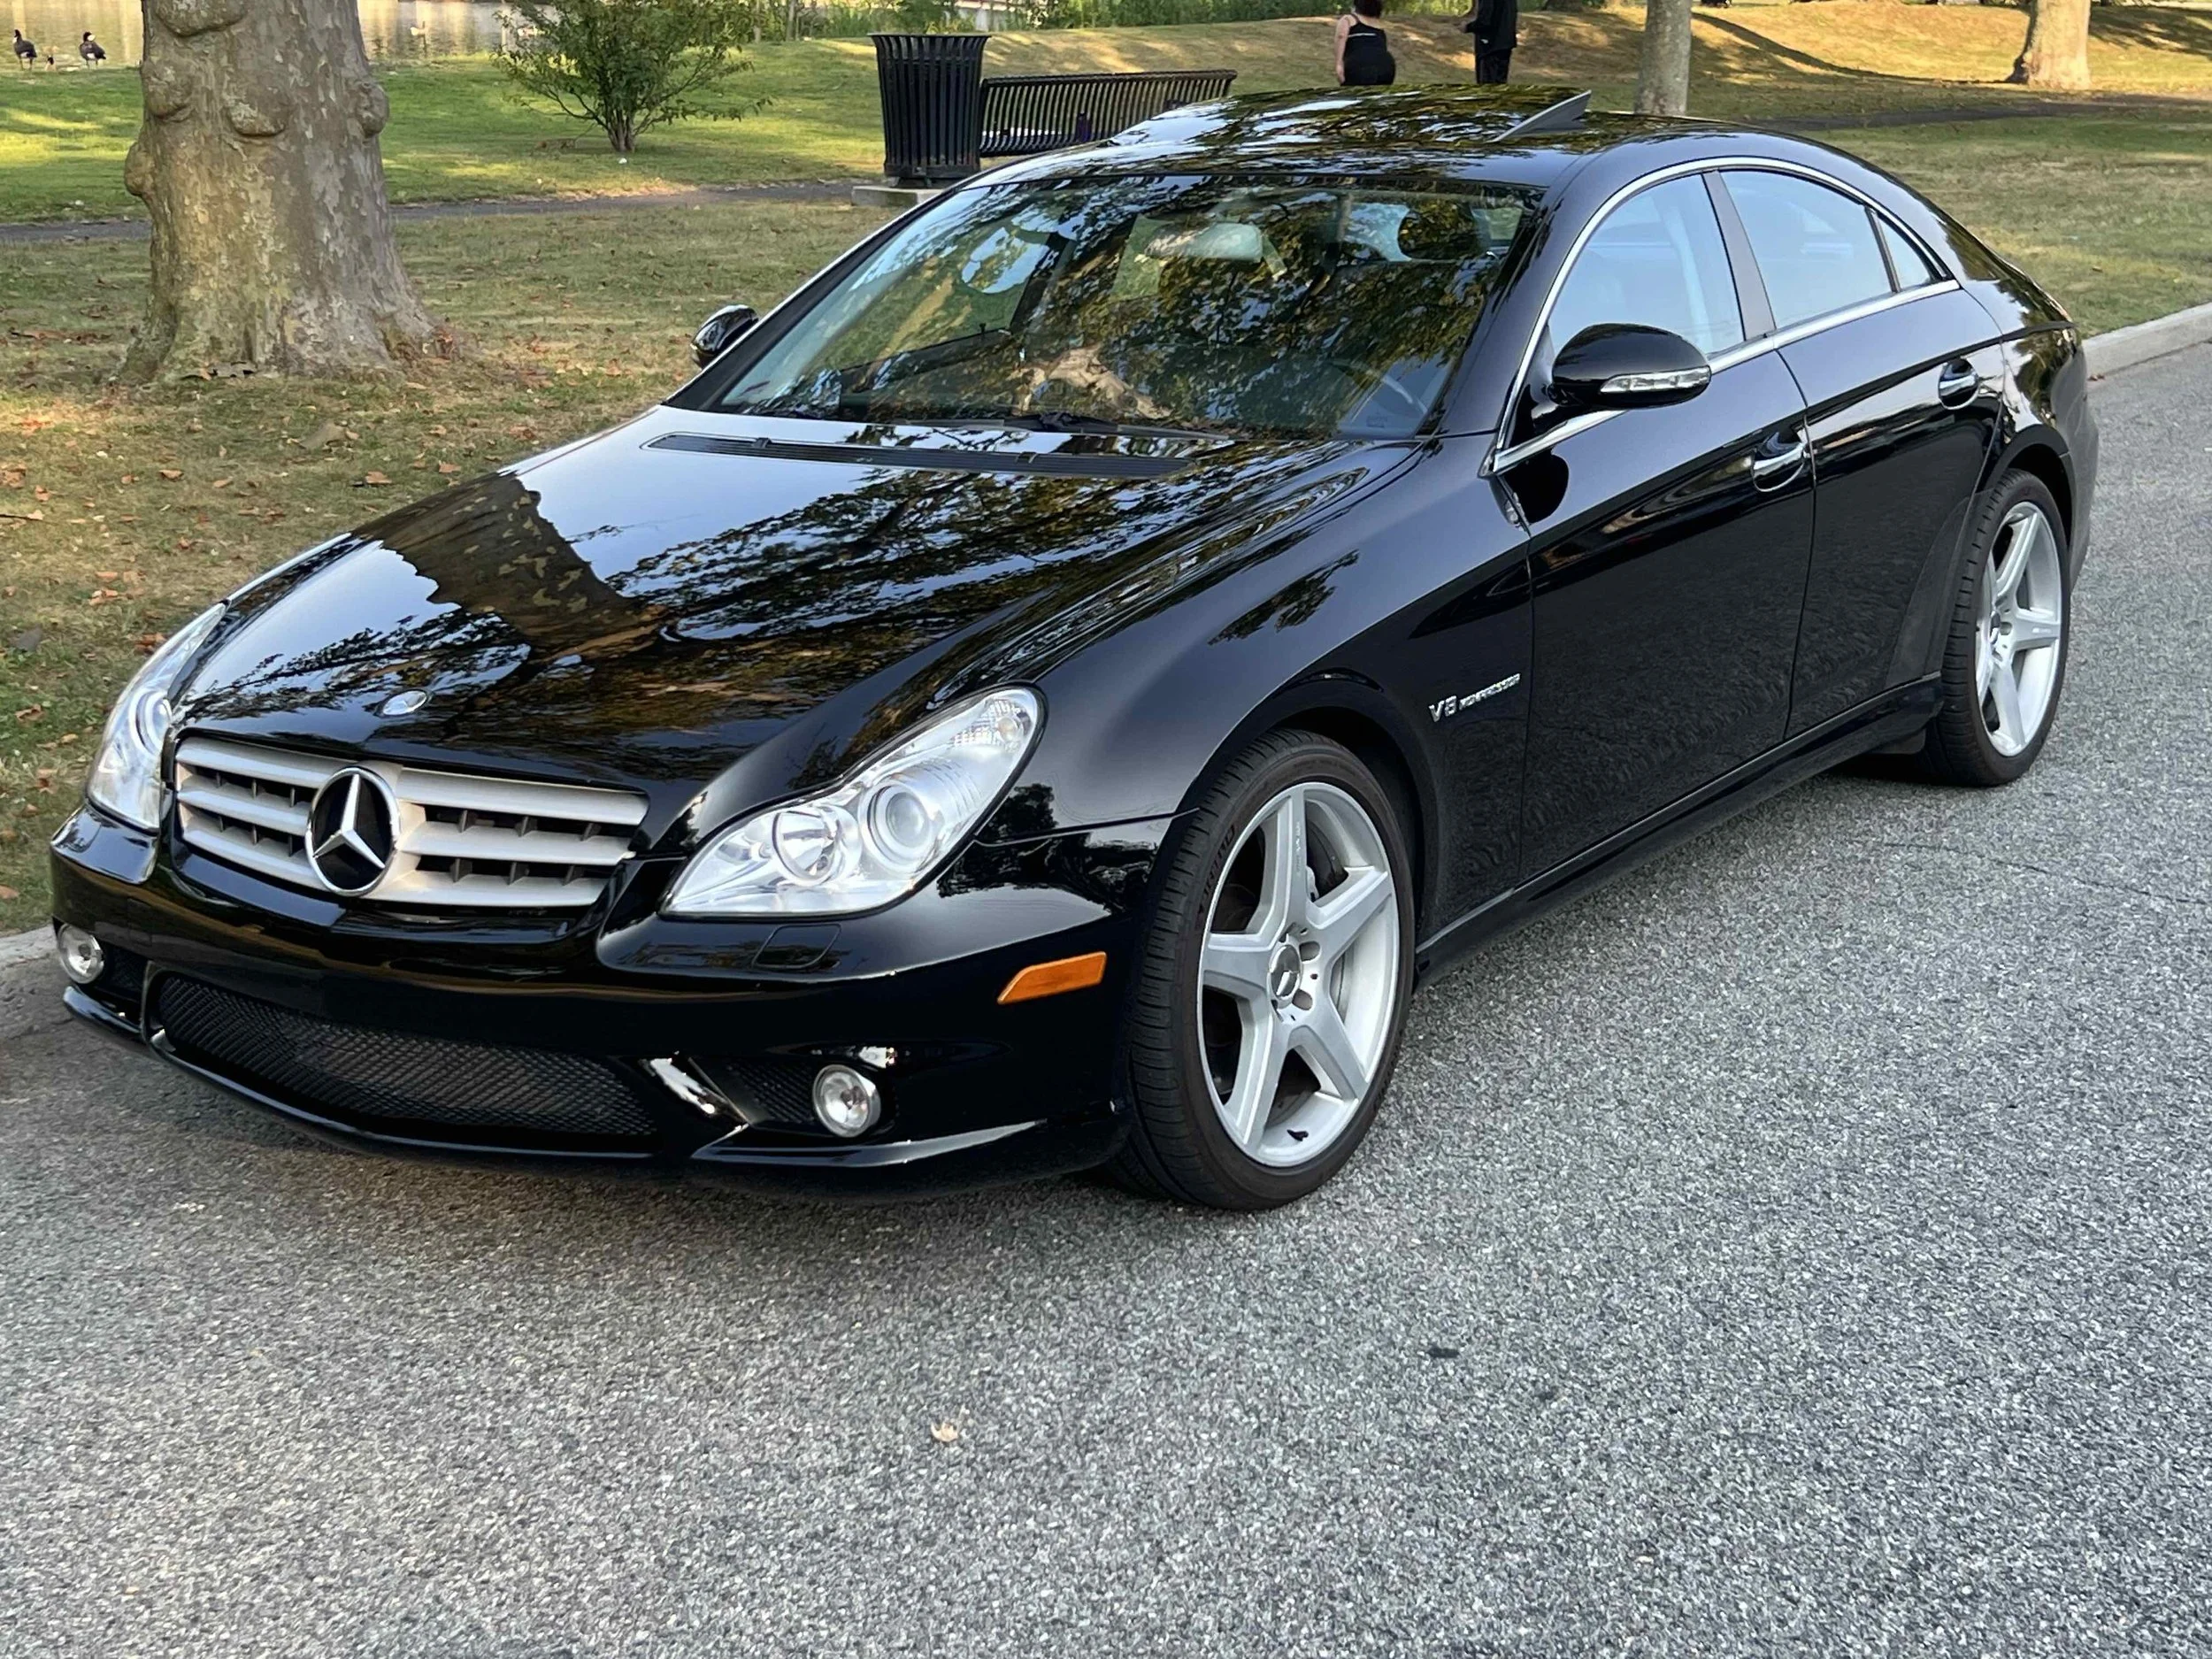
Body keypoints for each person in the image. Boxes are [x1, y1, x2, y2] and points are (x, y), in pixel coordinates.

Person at [1335, 0, 1396, 88]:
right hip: (1386, 66)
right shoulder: (1377, 24)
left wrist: (1339, 64)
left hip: (1359, 65)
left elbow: (1341, 36)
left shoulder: (1348, 19)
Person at [1463, 0, 1517, 86]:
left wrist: (1468, 27)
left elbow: (1484, 20)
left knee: (1487, 85)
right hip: (1506, 42)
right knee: (1500, 84)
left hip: (1489, 45)